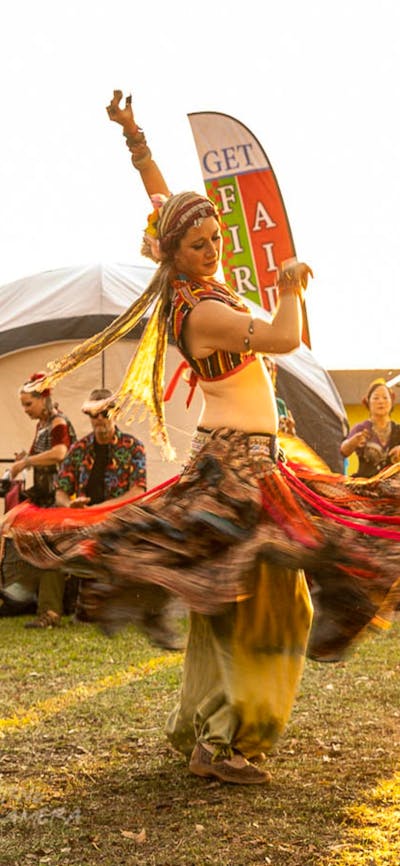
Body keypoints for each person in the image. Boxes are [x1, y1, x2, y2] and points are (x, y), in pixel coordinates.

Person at [3, 91, 400, 785]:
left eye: (216, 237)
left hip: (244, 463)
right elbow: (284, 338)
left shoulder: (190, 285)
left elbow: (161, 197)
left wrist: (135, 138)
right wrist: (290, 284)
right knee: (271, 610)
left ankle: (203, 731)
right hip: (240, 474)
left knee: (229, 602)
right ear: (172, 253)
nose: (213, 250)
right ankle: (227, 744)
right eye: (199, 244)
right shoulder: (203, 311)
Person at [55, 388, 182, 650]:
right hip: (84, 521)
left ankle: (137, 608)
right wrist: (71, 507)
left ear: (115, 413)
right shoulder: (78, 450)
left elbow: (137, 492)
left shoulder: (133, 447)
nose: (99, 420)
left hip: (121, 520)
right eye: (94, 415)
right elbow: (60, 492)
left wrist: (100, 510)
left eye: (104, 413)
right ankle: (72, 607)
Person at [0, 373, 76, 627]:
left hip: (59, 497)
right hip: (44, 497)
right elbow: (38, 455)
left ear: (43, 399)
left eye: (28, 404)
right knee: (22, 536)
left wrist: (26, 462)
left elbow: (60, 452)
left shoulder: (58, 422)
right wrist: (25, 458)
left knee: (50, 552)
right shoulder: (43, 425)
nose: (25, 410)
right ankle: (26, 596)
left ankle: (48, 610)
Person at [340, 378, 400, 477]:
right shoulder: (361, 428)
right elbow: (344, 451)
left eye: (385, 398)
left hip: (393, 482)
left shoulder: (398, 430)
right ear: (368, 402)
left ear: (391, 401)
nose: (381, 401)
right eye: (376, 398)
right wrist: (354, 441)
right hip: (365, 482)